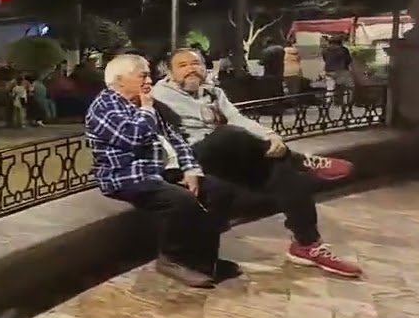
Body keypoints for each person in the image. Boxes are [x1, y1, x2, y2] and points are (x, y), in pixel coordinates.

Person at [151, 49, 361, 278]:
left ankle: (306, 244)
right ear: (170, 73)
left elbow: (238, 119)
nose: (191, 68)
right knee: (228, 134)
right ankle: (300, 159)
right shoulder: (159, 96)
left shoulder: (213, 92)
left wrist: (271, 136)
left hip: (227, 156)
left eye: (196, 63)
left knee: (286, 175)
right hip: (193, 157)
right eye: (182, 65)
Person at [86, 54, 238, 288]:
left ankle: (204, 261)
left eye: (149, 74)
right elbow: (134, 137)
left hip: (163, 171)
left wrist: (191, 169)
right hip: (129, 176)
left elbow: (176, 139)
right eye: (142, 75)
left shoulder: (147, 103)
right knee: (181, 201)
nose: (149, 80)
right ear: (120, 80)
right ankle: (172, 259)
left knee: (220, 192)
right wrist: (146, 108)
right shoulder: (105, 106)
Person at [322, 36, 353, 104]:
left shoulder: (325, 50)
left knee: (330, 87)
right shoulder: (344, 50)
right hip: (342, 71)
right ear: (340, 42)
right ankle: (346, 103)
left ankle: (328, 102)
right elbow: (349, 60)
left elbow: (325, 59)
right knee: (347, 87)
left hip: (329, 71)